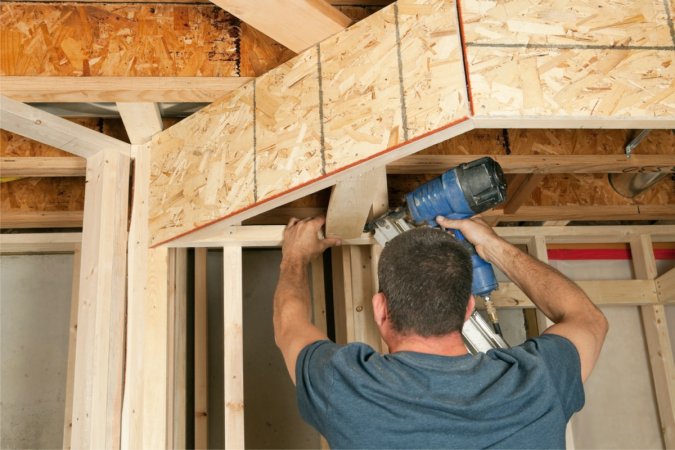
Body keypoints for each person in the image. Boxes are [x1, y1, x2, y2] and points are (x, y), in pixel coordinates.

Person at [273, 215, 608, 449]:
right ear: (468, 309)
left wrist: (296, 257)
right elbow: (588, 319)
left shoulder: (345, 388)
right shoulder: (540, 382)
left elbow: (289, 324)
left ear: (379, 309)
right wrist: (493, 246)